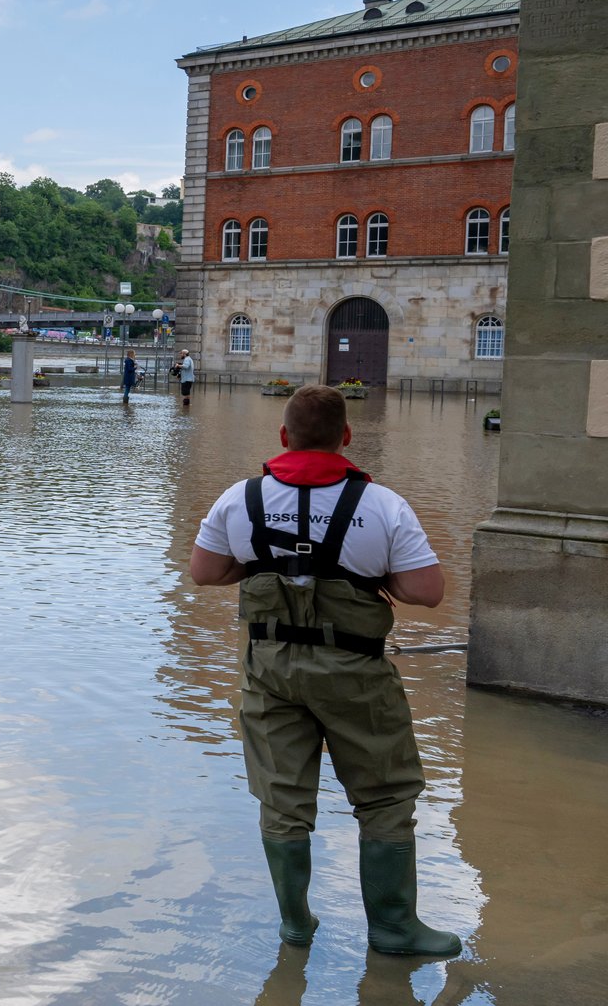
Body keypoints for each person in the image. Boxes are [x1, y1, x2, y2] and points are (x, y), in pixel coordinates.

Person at [188, 385, 459, 957]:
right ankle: (393, 929)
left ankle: (295, 925)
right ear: (347, 438)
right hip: (354, 671)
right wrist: (372, 577)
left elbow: (205, 573)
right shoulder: (382, 504)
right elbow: (428, 592)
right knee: (384, 797)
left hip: (270, 670)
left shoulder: (240, 500)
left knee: (283, 800)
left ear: (284, 437)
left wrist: (263, 564)